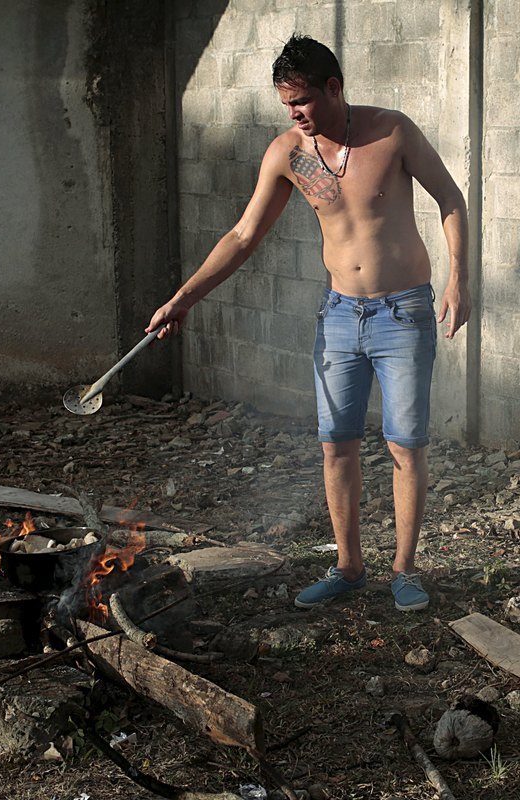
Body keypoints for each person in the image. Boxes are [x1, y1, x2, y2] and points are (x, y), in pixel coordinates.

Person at [146, 34, 471, 612]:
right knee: (335, 445)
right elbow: (243, 237)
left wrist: (457, 281)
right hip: (340, 316)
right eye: (286, 105)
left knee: (405, 444)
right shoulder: (288, 153)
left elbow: (450, 197)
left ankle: (404, 570)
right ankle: (348, 567)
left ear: (334, 88)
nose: (295, 114)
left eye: (302, 101)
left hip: (404, 312)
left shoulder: (391, 131)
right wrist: (183, 298)